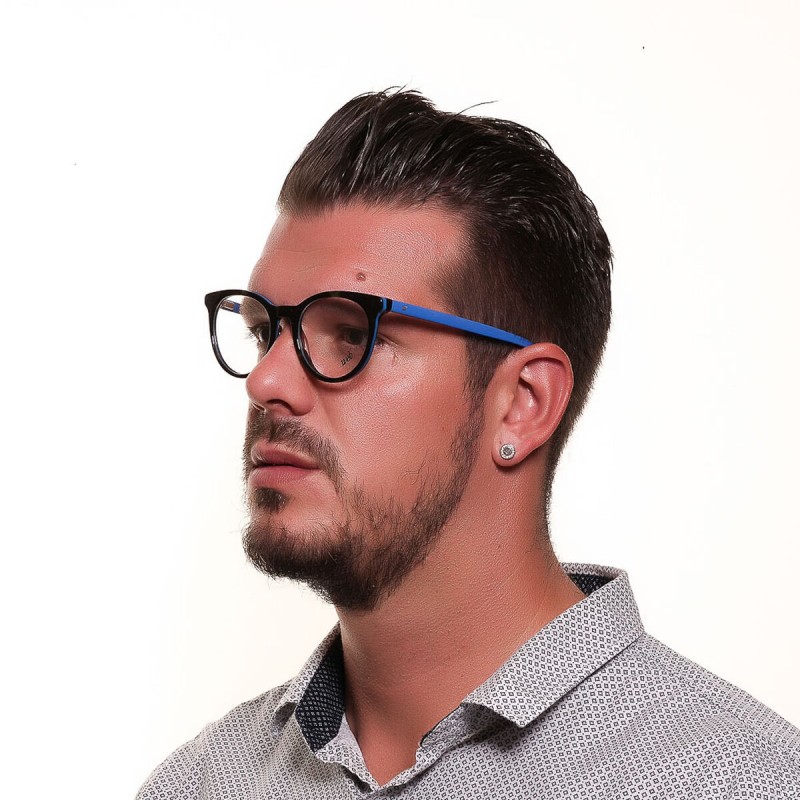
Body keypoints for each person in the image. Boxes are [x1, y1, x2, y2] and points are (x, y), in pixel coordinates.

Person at [137, 90, 800, 798]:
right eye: (264, 332)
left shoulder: (739, 780)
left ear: (523, 404)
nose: (267, 381)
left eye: (352, 335)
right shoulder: (201, 784)